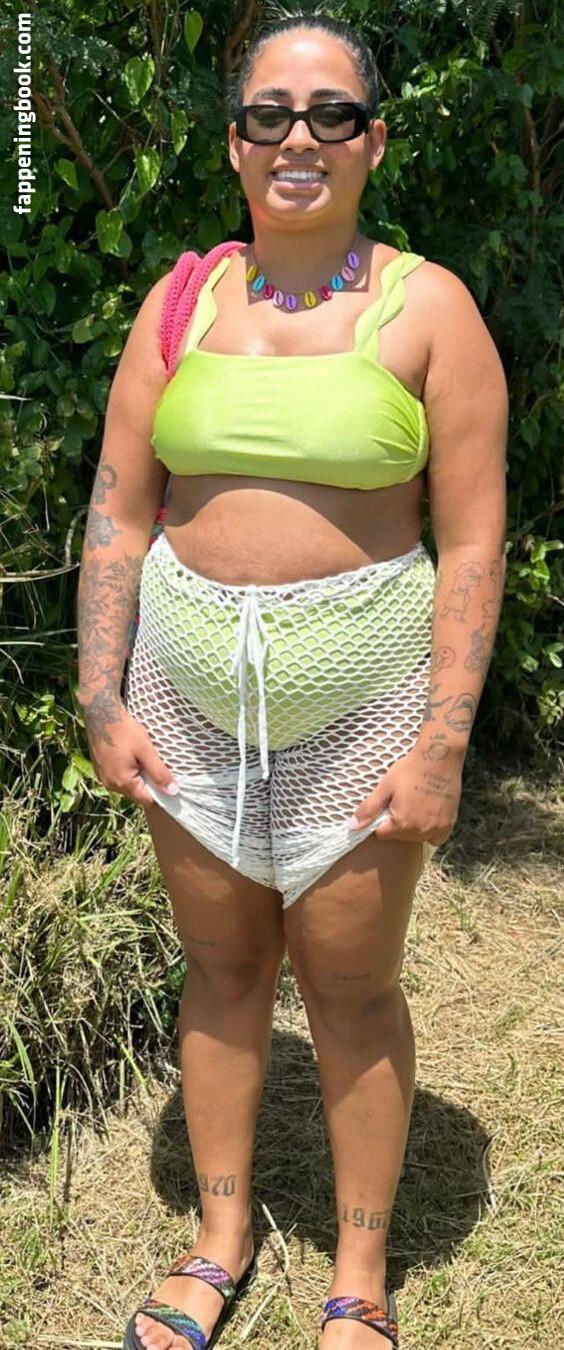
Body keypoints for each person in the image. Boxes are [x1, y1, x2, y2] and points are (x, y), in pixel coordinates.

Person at [77, 12, 508, 1350]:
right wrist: (102, 695)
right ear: (234, 143)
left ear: (373, 140)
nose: (298, 138)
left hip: (364, 713)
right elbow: (118, 511)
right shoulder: (180, 303)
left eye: (331, 113)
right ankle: (219, 1241)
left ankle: (359, 1280)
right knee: (220, 971)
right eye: (270, 113)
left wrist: (441, 744)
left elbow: (475, 540)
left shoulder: (429, 308)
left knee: (352, 990)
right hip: (185, 706)